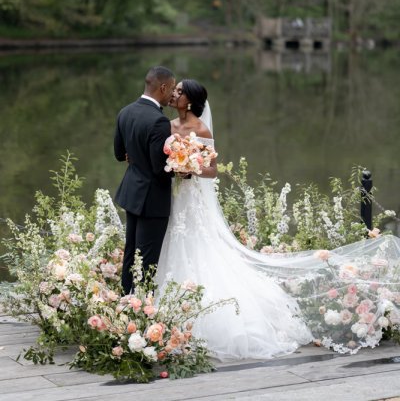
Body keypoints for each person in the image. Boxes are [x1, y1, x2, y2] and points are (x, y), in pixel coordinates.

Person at [157, 79, 400, 361]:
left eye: (179, 92)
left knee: (201, 246)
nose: (174, 95)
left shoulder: (201, 129)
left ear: (191, 99)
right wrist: (174, 166)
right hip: (177, 197)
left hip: (194, 198)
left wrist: (191, 167)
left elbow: (212, 171)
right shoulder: (169, 126)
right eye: (173, 91)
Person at [114, 66, 176, 295]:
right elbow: (160, 170)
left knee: (131, 253)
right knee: (148, 262)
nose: (173, 95)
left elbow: (120, 154)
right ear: (162, 87)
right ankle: (141, 312)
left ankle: (124, 302)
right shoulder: (159, 121)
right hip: (152, 199)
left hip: (132, 193)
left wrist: (136, 156)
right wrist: (183, 169)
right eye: (172, 88)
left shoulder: (125, 112)